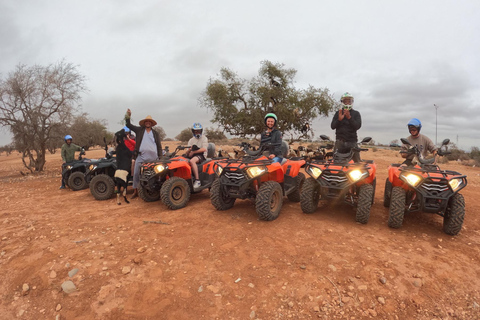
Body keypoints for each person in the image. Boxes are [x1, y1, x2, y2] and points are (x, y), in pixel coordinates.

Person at [125, 109, 162, 199]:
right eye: (147, 121)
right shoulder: (139, 130)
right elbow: (128, 125)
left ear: (152, 124)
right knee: (136, 172)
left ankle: (157, 191)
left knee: (157, 174)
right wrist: (128, 116)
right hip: (141, 157)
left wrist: (160, 157)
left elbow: (159, 146)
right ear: (144, 123)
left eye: (150, 121)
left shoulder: (155, 133)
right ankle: (135, 190)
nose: (148, 123)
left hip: (154, 157)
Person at [331, 92, 362, 162]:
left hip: (352, 142)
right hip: (340, 142)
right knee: (335, 163)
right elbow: (332, 126)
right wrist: (339, 120)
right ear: (342, 102)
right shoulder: (338, 113)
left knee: (357, 163)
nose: (347, 103)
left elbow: (357, 126)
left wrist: (349, 118)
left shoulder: (356, 113)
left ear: (352, 102)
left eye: (349, 101)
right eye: (346, 101)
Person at [113, 128, 134, 204]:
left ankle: (119, 200)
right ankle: (133, 177)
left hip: (119, 169)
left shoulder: (119, 147)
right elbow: (130, 153)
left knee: (119, 185)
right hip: (125, 167)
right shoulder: (124, 146)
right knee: (133, 165)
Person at [187, 123, 209, 189]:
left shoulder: (204, 138)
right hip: (193, 154)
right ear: (193, 131)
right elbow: (188, 150)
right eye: (195, 131)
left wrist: (193, 152)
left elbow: (204, 149)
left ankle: (197, 180)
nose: (197, 132)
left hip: (202, 155)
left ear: (201, 131)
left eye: (198, 131)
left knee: (192, 161)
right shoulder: (191, 140)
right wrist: (189, 150)